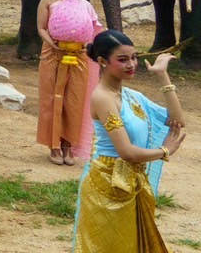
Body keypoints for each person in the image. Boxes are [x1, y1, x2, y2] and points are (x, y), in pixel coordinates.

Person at [75, 32, 187, 252]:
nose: (131, 64)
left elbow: (178, 120)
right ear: (102, 62)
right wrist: (164, 150)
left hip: (133, 181)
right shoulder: (102, 98)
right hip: (106, 185)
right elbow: (126, 152)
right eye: (123, 59)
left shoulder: (131, 96)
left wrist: (162, 76)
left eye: (134, 57)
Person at [36, 0, 100, 166]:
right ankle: (54, 145)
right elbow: (40, 27)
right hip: (52, 54)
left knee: (75, 100)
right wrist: (52, 43)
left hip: (78, 57)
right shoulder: (47, 1)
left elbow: (92, 29)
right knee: (52, 98)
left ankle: (68, 146)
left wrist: (86, 48)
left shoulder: (85, 5)